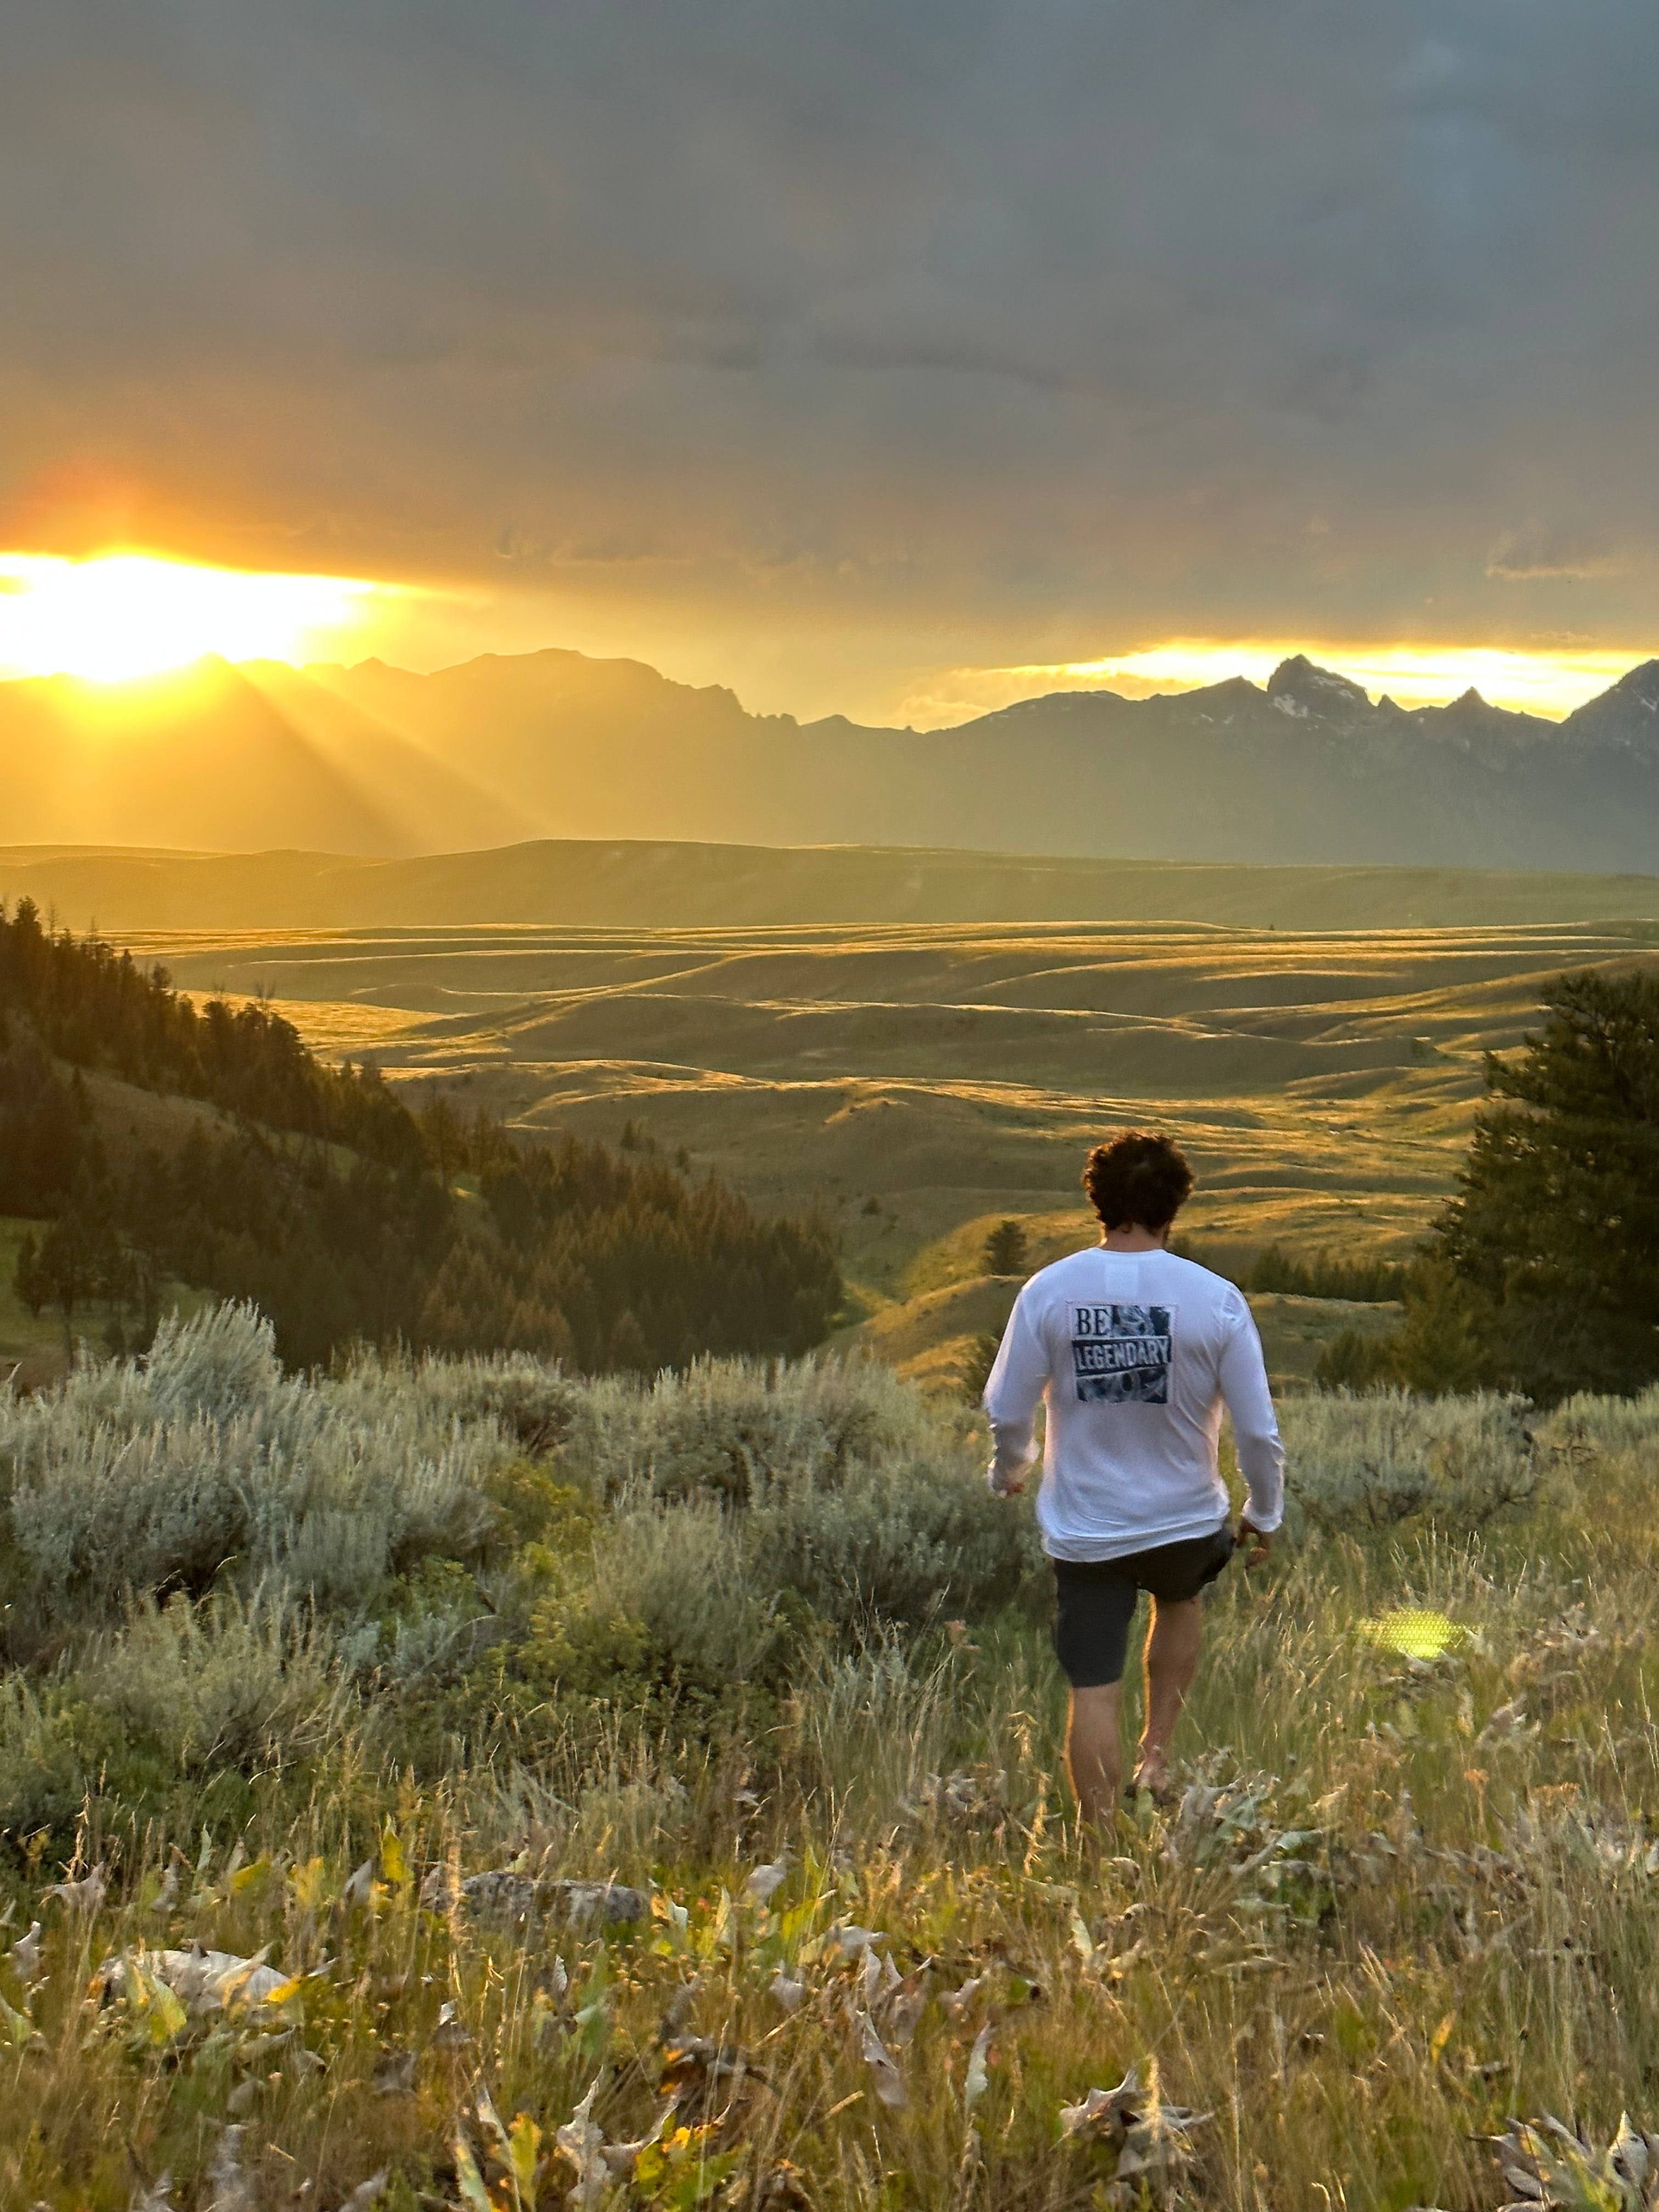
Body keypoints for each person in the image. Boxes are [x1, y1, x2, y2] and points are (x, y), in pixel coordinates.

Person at [982, 1130, 1283, 1824]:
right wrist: (1264, 1511)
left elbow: (1006, 1407)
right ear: (1174, 1205)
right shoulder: (1216, 1299)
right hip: (1185, 1518)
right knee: (1179, 1602)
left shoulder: (1049, 1291)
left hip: (1086, 1527)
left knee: (1093, 1689)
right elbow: (1259, 1432)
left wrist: (1010, 1471)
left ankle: (1097, 1849)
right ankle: (1156, 1754)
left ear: (1098, 1199)